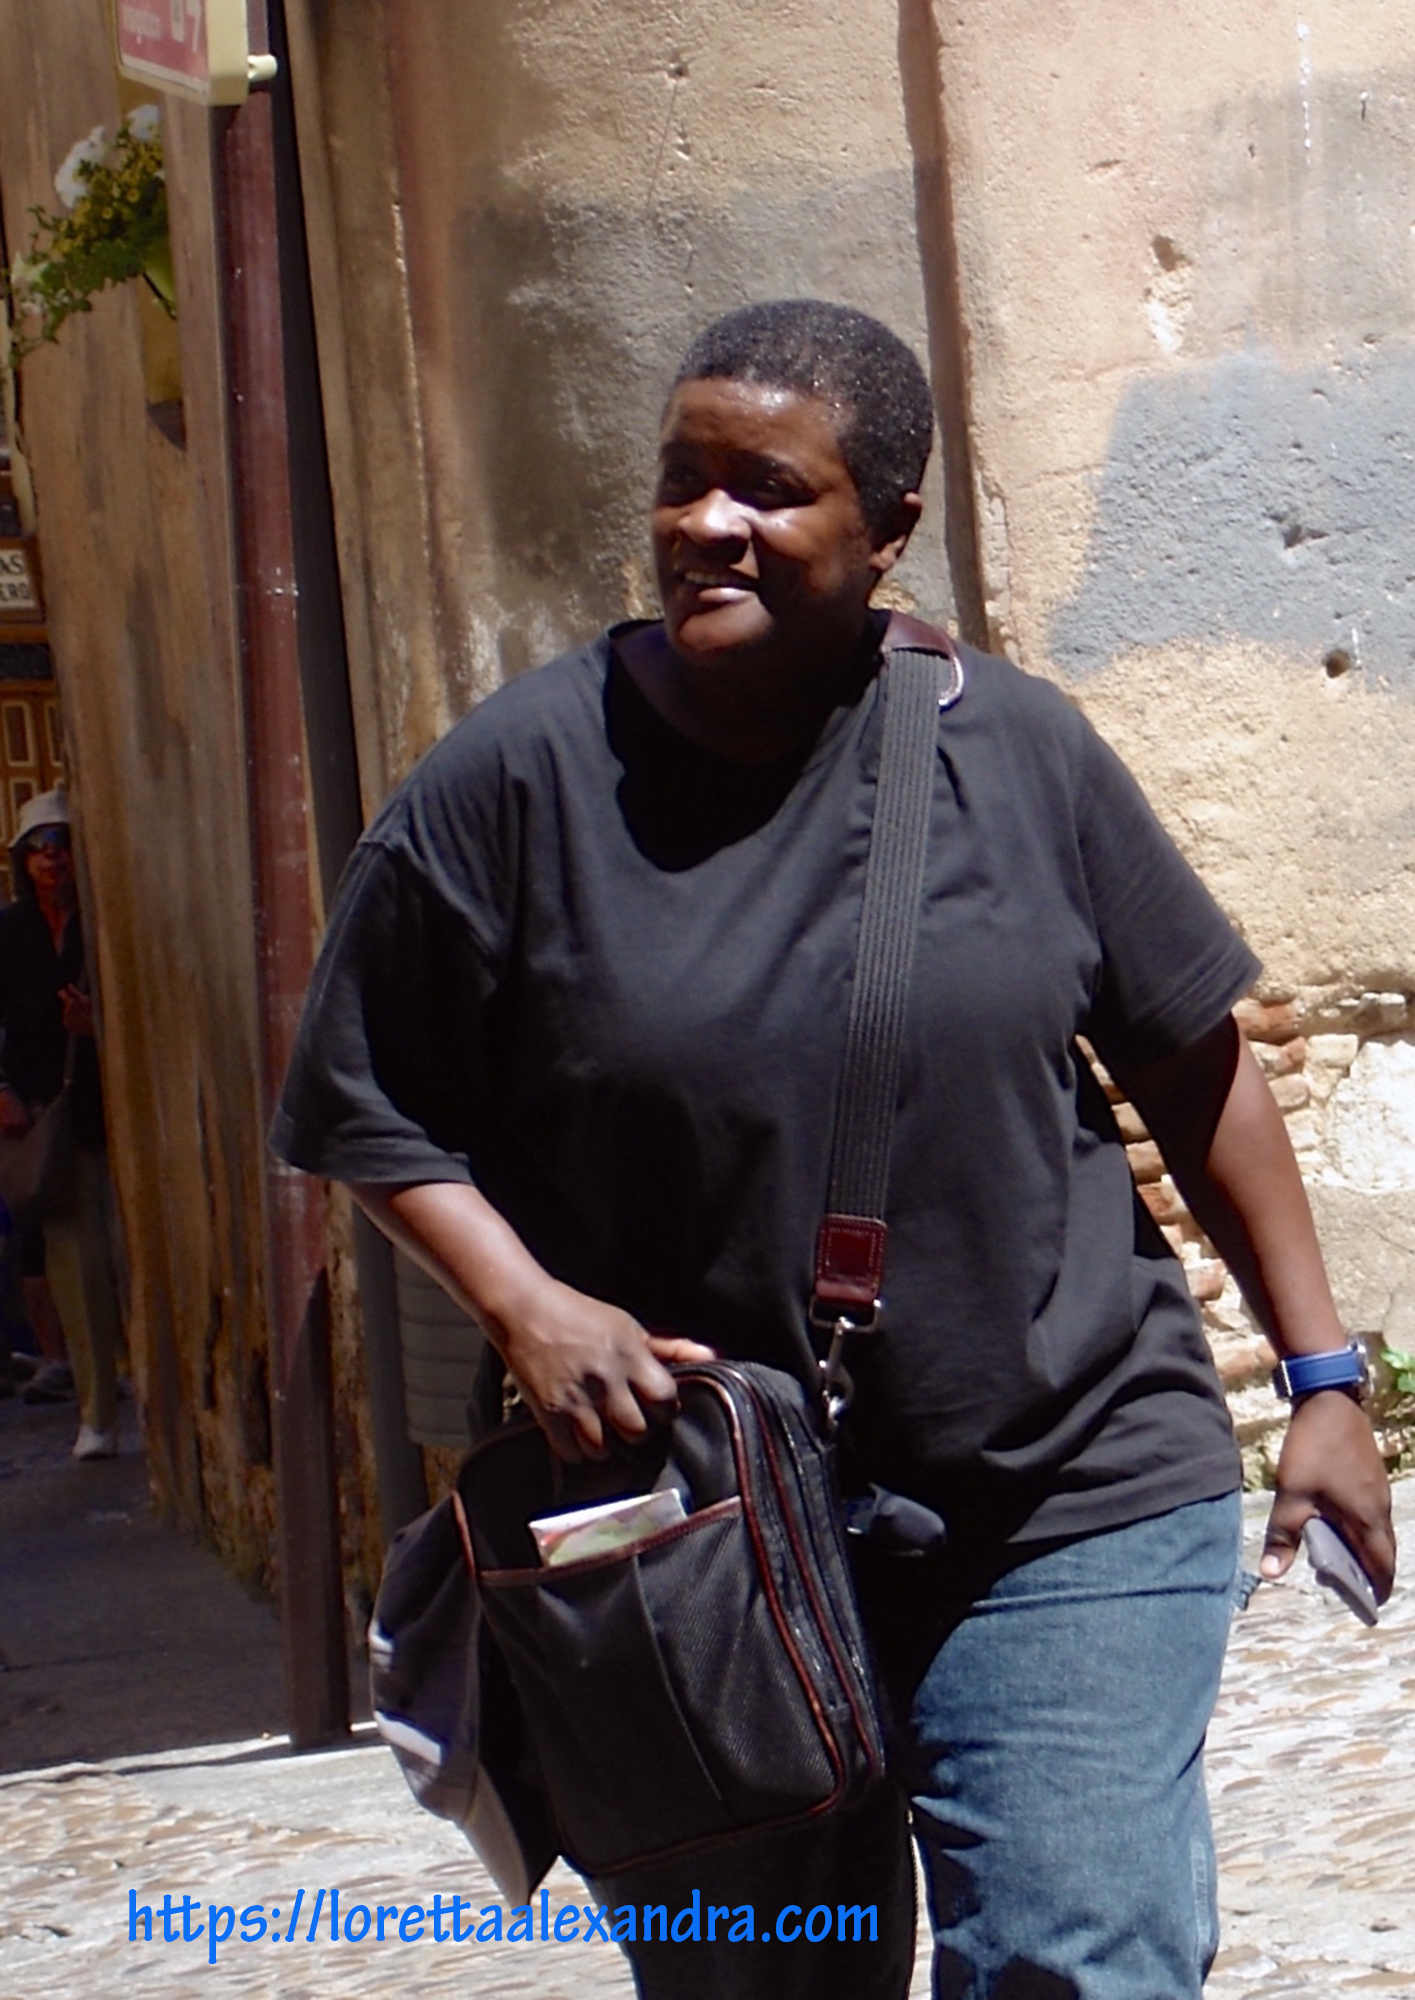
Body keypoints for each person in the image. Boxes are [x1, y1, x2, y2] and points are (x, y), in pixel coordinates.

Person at [274, 300, 1395, 2000]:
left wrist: (1325, 1378)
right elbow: (362, 1094)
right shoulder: (514, 785)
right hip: (697, 1534)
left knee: (1080, 1964)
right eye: (683, 480)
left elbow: (1194, 1055)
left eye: (769, 490)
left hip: (1063, 1485)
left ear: (886, 530)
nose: (707, 523)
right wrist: (524, 1305)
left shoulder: (1016, 755)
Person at [0, 789, 122, 1459]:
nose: (51, 859)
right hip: (42, 1117)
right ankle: (96, 1409)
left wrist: (92, 1027)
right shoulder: (11, 933)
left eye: (62, 845)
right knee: (76, 1259)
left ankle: (111, 1389)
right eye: (38, 848)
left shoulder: (100, 930)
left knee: (110, 1259)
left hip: (107, 1109)